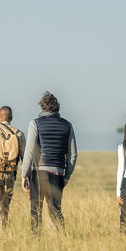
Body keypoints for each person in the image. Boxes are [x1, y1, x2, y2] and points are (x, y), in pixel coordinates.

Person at [21, 91, 77, 231]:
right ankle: (64, 240)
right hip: (57, 174)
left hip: (38, 174)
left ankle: (36, 244)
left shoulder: (35, 123)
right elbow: (73, 154)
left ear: (42, 107)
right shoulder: (67, 125)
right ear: (57, 107)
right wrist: (67, 176)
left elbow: (29, 152)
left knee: (36, 212)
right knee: (55, 211)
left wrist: (24, 175)